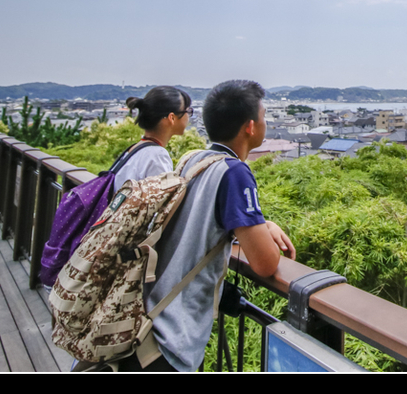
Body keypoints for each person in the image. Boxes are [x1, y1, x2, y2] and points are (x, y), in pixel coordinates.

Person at [121, 80, 294, 372]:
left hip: (144, 316)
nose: (266, 124)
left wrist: (260, 223)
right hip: (169, 338)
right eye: (264, 118)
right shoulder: (234, 172)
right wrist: (263, 230)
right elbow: (265, 263)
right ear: (250, 127)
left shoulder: (193, 159)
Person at [116, 86, 193, 193]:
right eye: (188, 111)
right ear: (172, 118)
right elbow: (159, 204)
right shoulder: (157, 156)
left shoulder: (136, 149)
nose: (189, 117)